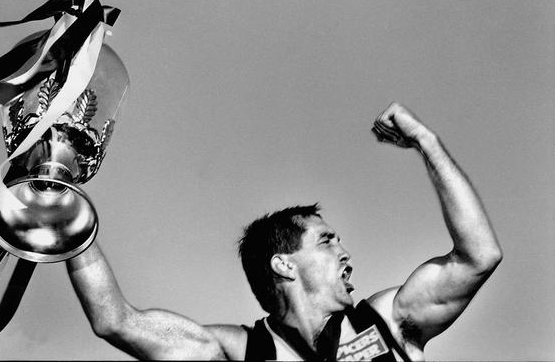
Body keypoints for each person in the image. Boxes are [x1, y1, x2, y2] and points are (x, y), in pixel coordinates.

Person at [66, 102, 502, 361]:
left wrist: (426, 140)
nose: (346, 253)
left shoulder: (390, 321)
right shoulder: (241, 352)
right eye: (327, 240)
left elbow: (478, 257)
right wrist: (62, 213)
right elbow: (115, 321)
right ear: (284, 263)